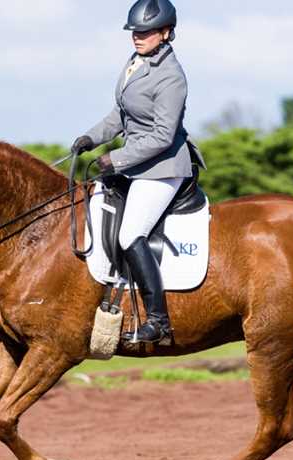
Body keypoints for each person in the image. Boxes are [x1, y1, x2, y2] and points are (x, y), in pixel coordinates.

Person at [71, 0, 203, 345]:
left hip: (162, 169)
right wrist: (91, 137)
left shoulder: (171, 77)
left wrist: (117, 159)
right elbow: (120, 114)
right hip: (135, 164)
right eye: (135, 31)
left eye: (145, 32)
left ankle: (159, 321)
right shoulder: (136, 63)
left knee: (131, 233)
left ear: (166, 32)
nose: (137, 37)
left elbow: (162, 135)